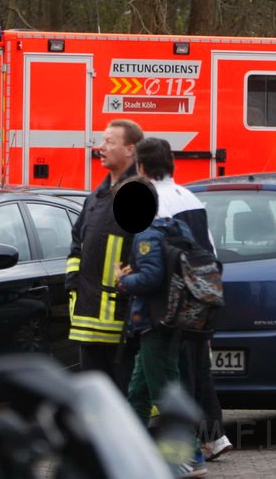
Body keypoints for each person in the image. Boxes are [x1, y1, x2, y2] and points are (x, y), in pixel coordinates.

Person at [132, 138, 232, 462]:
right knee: (196, 366)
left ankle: (189, 446)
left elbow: (155, 262)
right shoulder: (190, 197)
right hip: (198, 294)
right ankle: (212, 438)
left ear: (142, 167)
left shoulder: (153, 203)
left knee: (177, 372)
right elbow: (209, 250)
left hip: (170, 300)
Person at [65, 119, 144, 394]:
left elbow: (149, 253)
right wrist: (73, 283)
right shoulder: (95, 197)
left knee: (127, 401)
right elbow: (77, 243)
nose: (101, 147)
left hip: (121, 322)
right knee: (95, 403)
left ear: (130, 150)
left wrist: (129, 288)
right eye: (102, 141)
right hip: (87, 320)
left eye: (110, 142)